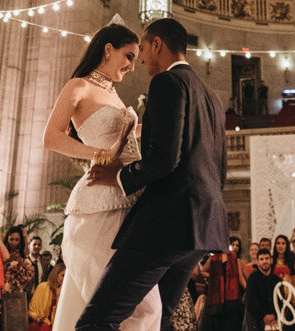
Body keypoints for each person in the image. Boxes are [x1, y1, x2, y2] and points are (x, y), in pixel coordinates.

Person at [77, 18, 229, 329]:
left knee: (96, 322)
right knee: (160, 320)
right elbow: (219, 169)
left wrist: (118, 176)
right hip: (204, 227)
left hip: (166, 224)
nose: (142, 59)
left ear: (157, 44)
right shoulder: (212, 97)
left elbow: (163, 160)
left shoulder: (166, 82)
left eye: (143, 49)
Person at [41, 23, 164, 329]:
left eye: (136, 59)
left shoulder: (114, 94)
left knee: (139, 303)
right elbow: (52, 138)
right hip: (98, 204)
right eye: (128, 56)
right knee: (124, 303)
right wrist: (98, 154)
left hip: (128, 200)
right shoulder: (78, 87)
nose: (133, 66)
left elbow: (127, 139)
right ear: (108, 49)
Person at [201, 238, 246, 331]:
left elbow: (240, 276)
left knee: (231, 324)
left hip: (231, 295)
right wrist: (213, 277)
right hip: (217, 296)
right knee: (218, 324)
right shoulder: (213, 258)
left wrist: (248, 289)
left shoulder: (234, 257)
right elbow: (203, 271)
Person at [244, 248, 280, 331]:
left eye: (267, 258)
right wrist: (263, 317)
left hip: (275, 319)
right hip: (257, 320)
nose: (264, 261)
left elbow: (280, 301)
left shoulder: (277, 280)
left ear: (271, 260)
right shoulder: (253, 278)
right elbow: (250, 302)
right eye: (261, 259)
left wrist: (274, 315)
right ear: (257, 262)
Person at [29, 263, 66, 331]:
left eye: (66, 277)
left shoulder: (65, 292)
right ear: (56, 275)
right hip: (40, 322)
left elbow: (59, 318)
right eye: (62, 275)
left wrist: (58, 296)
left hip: (55, 324)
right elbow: (33, 310)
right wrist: (40, 318)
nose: (64, 279)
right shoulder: (43, 286)